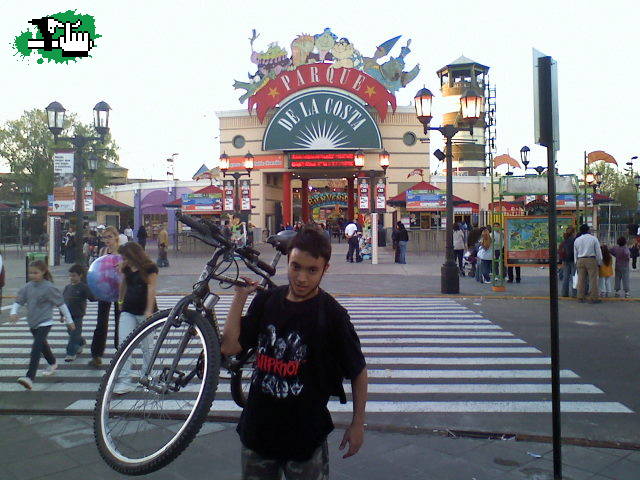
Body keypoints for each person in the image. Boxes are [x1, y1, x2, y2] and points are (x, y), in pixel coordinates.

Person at [220, 225, 367, 478]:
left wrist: (357, 424)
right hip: (258, 431)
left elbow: (358, 370)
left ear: (325, 269)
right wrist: (239, 298)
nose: (301, 278)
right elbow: (230, 346)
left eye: (312, 270)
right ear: (288, 261)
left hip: (305, 438)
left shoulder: (332, 315)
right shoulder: (267, 301)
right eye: (296, 267)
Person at [9, 260, 75, 390]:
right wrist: (13, 312)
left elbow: (61, 304)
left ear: (43, 272)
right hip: (33, 322)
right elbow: (19, 300)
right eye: (31, 273)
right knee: (43, 345)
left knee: (36, 348)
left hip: (45, 322)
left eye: (36, 273)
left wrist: (69, 321)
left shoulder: (49, 287)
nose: (33, 275)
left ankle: (30, 378)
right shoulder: (28, 287)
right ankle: (52, 362)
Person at [113, 242, 158, 394]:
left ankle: (147, 377)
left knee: (147, 348)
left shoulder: (150, 267)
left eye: (126, 256)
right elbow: (123, 285)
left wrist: (149, 310)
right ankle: (124, 380)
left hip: (145, 311)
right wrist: (120, 301)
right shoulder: (126, 267)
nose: (124, 259)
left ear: (133, 255)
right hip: (128, 309)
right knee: (124, 344)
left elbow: (152, 288)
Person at [89, 226, 122, 367]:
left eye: (109, 237)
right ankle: (96, 355)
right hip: (105, 289)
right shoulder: (103, 251)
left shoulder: (123, 252)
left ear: (116, 237)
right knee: (101, 322)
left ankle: (120, 352)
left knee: (119, 322)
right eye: (104, 237)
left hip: (120, 290)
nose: (106, 240)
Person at [63, 264, 96, 362]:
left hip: (78, 314)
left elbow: (92, 297)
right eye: (70, 275)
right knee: (71, 332)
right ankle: (81, 342)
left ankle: (71, 353)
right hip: (68, 315)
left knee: (74, 334)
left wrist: (98, 296)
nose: (71, 278)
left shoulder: (83, 287)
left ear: (80, 275)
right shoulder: (67, 287)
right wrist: (62, 314)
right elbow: (63, 301)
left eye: (74, 276)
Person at [574, 224, 602, 304]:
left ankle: (580, 297)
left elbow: (575, 252)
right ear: (588, 230)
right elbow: (598, 252)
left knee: (581, 280)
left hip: (580, 260)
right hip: (591, 259)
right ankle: (593, 297)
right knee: (593, 280)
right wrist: (599, 261)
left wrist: (576, 261)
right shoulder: (593, 239)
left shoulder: (577, 240)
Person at [559, 226, 577, 297]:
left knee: (565, 277)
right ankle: (574, 293)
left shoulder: (564, 240)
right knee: (574, 277)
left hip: (565, 260)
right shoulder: (574, 240)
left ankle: (564, 293)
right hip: (573, 260)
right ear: (573, 233)